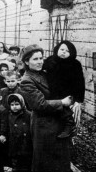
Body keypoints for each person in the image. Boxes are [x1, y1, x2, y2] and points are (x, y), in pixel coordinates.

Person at [20, 44, 74, 172]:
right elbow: (39, 104)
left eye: (41, 58)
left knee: (60, 160)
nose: (40, 62)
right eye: (35, 59)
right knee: (46, 162)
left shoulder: (44, 73)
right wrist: (63, 102)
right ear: (27, 62)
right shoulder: (27, 80)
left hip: (57, 122)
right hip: (44, 126)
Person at [43, 40, 85, 138]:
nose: (64, 52)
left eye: (67, 51)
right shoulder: (51, 60)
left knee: (65, 109)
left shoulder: (75, 64)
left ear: (72, 53)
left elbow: (80, 82)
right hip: (52, 90)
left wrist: (79, 99)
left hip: (67, 92)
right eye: (62, 49)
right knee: (53, 110)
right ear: (57, 49)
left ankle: (69, 125)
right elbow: (42, 68)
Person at [7, 94, 32, 172]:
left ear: (22, 104)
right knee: (15, 164)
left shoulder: (28, 115)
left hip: (25, 144)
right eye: (12, 105)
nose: (14, 106)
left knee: (25, 165)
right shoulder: (8, 115)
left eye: (17, 104)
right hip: (13, 144)